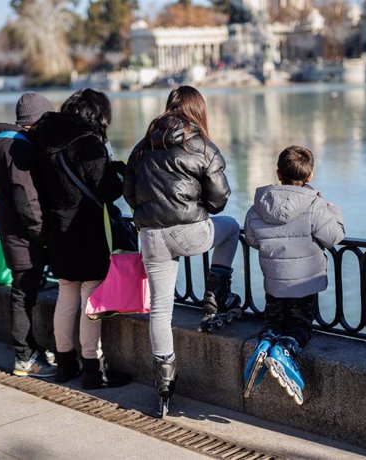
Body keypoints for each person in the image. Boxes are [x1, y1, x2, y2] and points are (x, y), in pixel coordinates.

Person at [123, 85, 241, 416]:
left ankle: (164, 380)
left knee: (161, 309)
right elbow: (219, 201)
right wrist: (194, 205)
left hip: (152, 236)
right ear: (198, 110)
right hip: (191, 233)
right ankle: (216, 293)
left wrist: (150, 212)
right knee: (231, 228)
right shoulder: (201, 145)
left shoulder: (141, 148)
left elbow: (129, 193)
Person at [31, 88, 131, 389]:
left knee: (66, 294)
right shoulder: (89, 145)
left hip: (58, 229)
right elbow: (108, 190)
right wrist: (116, 168)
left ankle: (64, 363)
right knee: (91, 298)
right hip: (86, 230)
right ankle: (92, 368)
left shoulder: (45, 141)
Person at [243, 145, 345, 405]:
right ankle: (284, 351)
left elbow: (252, 239)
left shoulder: (258, 206)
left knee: (274, 321)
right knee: (300, 326)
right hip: (305, 282)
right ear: (309, 177)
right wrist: (331, 209)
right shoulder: (314, 204)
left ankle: (265, 344)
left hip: (274, 281)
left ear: (278, 173)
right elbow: (334, 236)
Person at [0, 92, 56, 378]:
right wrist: (42, 234)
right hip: (23, 237)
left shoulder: (3, 145)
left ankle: (29, 348)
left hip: (10, 231)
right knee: (23, 294)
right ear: (37, 121)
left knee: (23, 292)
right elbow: (27, 199)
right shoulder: (19, 151)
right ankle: (24, 357)